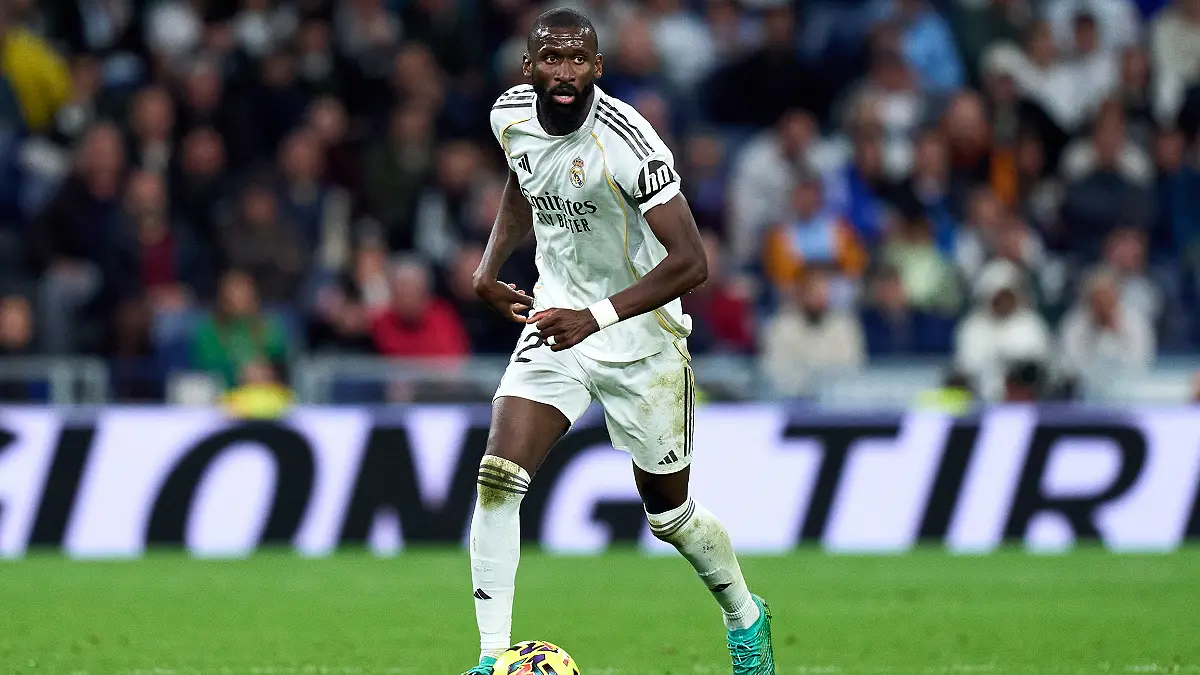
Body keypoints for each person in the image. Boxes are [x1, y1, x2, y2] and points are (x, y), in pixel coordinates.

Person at [463, 9, 773, 675]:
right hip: (557, 321)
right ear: (529, 68)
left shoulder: (630, 143)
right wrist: (488, 270)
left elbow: (693, 261)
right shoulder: (508, 115)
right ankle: (491, 659)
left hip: (642, 338)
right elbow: (525, 182)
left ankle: (745, 614)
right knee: (498, 476)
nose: (565, 71)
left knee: (671, 516)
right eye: (552, 59)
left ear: (599, 68)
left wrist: (597, 316)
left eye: (579, 60)